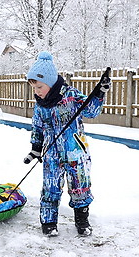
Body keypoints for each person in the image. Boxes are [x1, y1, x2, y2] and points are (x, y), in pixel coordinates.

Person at [23, 51, 110, 236]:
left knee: (80, 187)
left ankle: (82, 221)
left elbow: (91, 111)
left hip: (75, 151)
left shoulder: (70, 95)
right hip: (51, 154)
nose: (37, 92)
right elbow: (37, 127)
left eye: (39, 86)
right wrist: (35, 149)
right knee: (50, 188)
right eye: (34, 88)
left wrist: (100, 93)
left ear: (51, 82)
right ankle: (48, 223)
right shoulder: (40, 104)